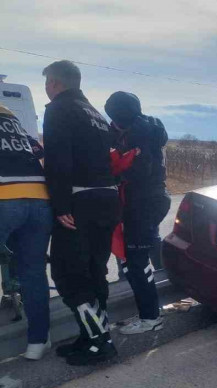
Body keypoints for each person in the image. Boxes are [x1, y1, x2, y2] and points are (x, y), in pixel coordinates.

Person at [42, 60, 121, 365]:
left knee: (68, 275)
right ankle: (89, 338)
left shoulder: (59, 108)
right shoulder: (95, 114)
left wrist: (60, 204)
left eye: (48, 82)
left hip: (79, 199)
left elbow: (58, 158)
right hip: (107, 199)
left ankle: (101, 341)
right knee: (93, 271)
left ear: (55, 83)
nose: (47, 88)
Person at [105, 91, 171, 335]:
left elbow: (140, 173)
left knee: (136, 262)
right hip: (150, 201)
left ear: (121, 119)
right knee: (137, 258)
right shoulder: (147, 128)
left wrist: (116, 174)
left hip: (144, 204)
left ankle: (150, 317)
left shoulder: (139, 136)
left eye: (113, 119)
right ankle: (149, 311)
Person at [0, 103, 54, 360]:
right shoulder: (8, 113)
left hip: (4, 197)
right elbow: (37, 147)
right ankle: (38, 341)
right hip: (39, 198)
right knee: (33, 272)